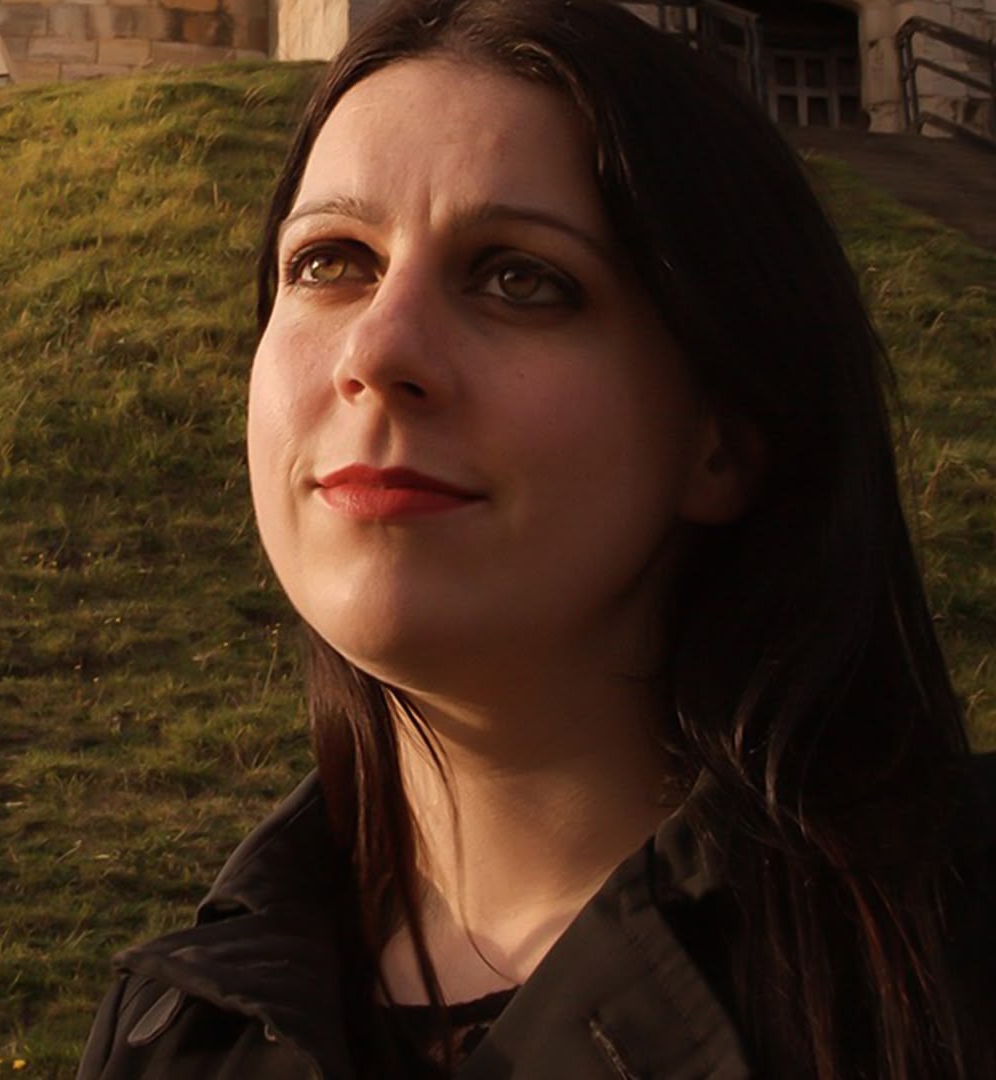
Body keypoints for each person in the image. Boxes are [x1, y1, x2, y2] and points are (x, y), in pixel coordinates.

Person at [75, 0, 996, 1075]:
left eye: (521, 278)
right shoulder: (175, 1031)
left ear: (722, 442)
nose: (378, 351)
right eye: (331, 262)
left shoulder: (953, 961)